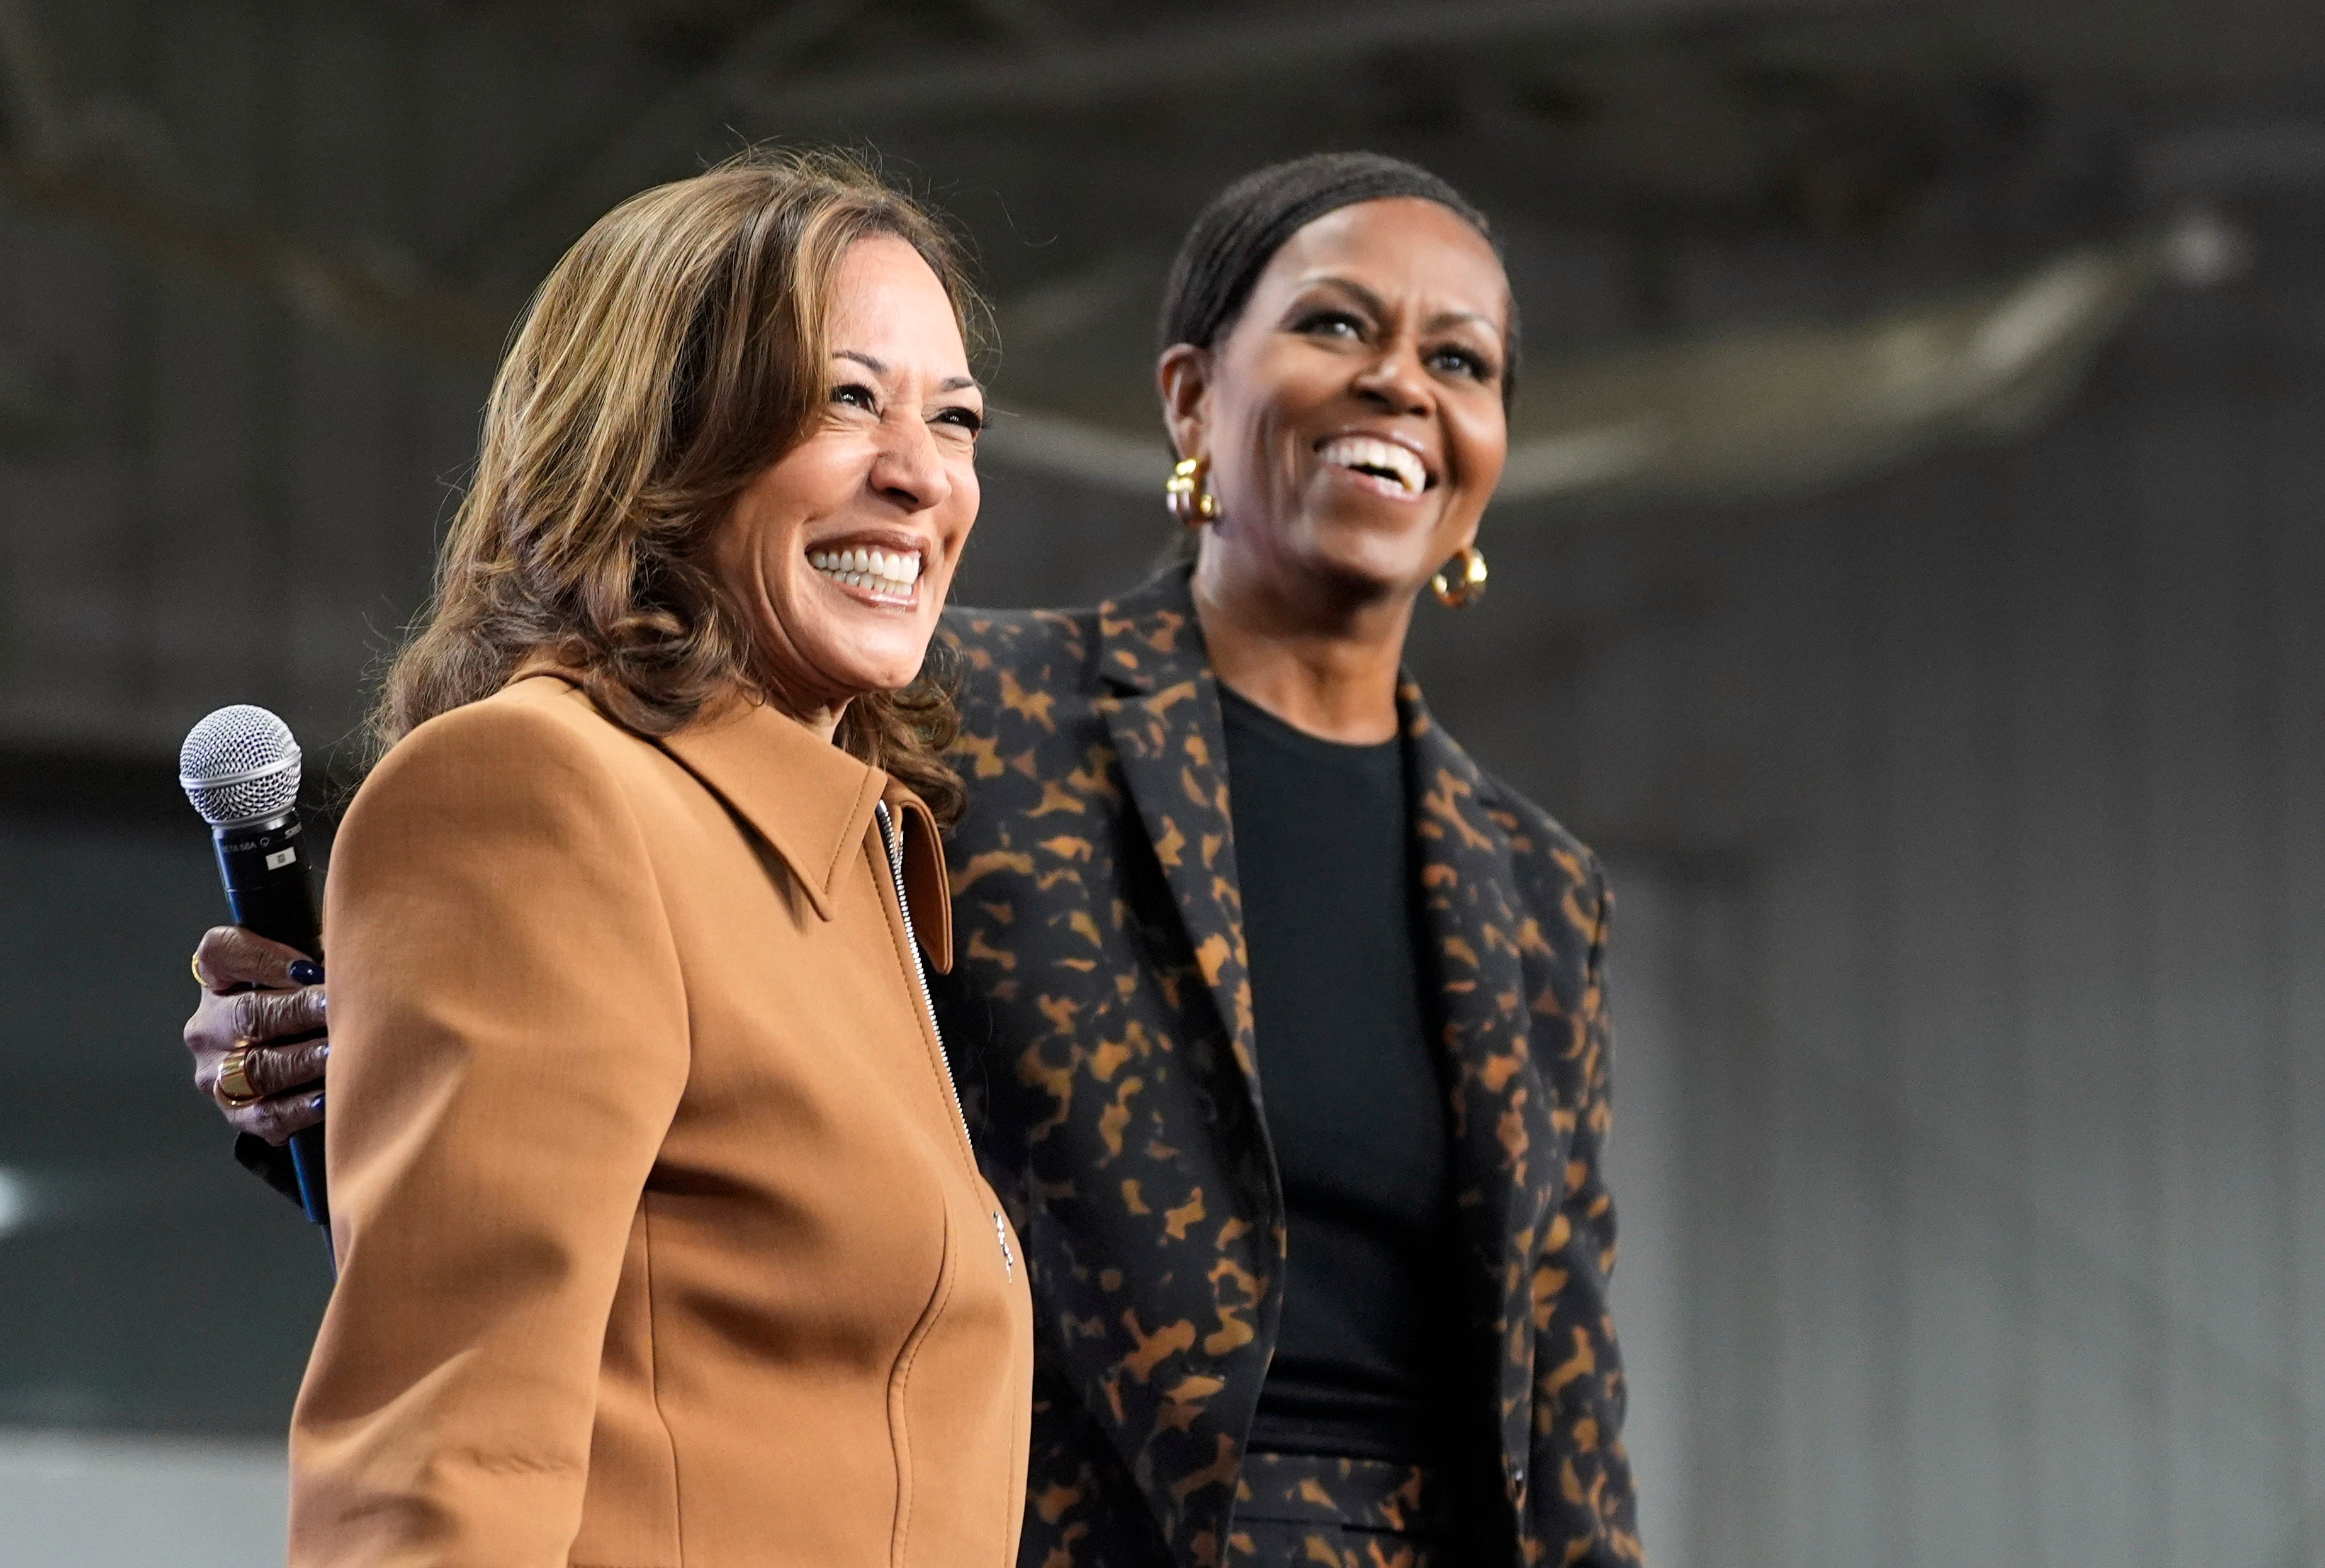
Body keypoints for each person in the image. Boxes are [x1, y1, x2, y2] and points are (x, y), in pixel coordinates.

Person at [188, 152, 1636, 1568]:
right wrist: (343, 1034)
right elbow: (546, 941)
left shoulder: (1529, 886)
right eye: (1334, 322)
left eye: (1467, 358)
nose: (1404, 383)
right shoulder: (960, 729)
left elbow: (1561, 1391)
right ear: (1190, 396)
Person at [193, 149, 1034, 1565]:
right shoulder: (535, 791)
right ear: (656, 435)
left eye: (954, 422)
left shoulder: (839, 868)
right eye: (845, 399)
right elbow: (445, 1458)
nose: (919, 476)